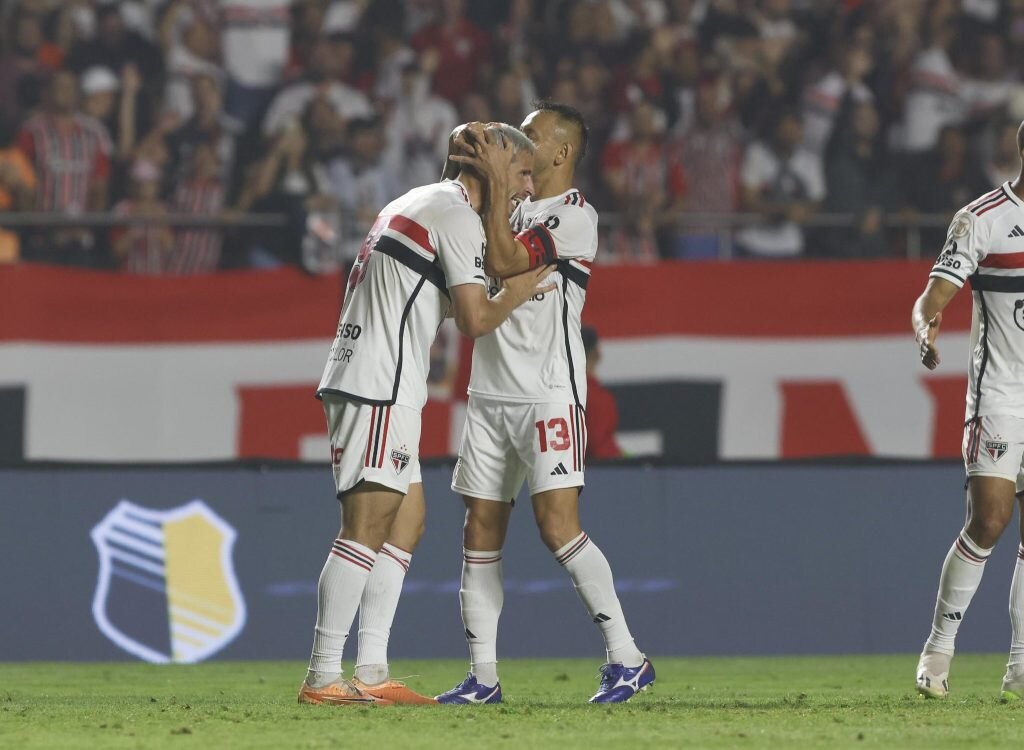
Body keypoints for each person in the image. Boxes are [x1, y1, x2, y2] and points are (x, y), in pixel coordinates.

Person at [298, 122, 553, 707]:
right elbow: (474, 319)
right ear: (491, 166)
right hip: (379, 380)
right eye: (521, 172)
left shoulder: (422, 201)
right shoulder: (456, 215)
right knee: (366, 525)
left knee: (407, 519)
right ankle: (322, 676)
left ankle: (371, 672)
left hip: (379, 376)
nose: (527, 187)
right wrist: (520, 289)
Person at [436, 102, 654, 704]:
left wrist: (499, 190)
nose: (520, 139)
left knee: (557, 527)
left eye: (530, 134)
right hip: (488, 394)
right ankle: (483, 677)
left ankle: (627, 657)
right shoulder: (507, 205)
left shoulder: (575, 217)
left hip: (548, 394)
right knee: (479, 531)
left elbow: (505, 261)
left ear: (560, 153)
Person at [911, 120, 1024, 702]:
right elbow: (933, 295)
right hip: (1000, 393)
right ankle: (939, 648)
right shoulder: (982, 218)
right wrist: (925, 326)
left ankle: (1021, 666)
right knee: (989, 521)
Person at [582, 325, 622, 460]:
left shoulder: (556, 393)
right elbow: (600, 446)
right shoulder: (597, 398)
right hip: (597, 473)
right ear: (596, 352)